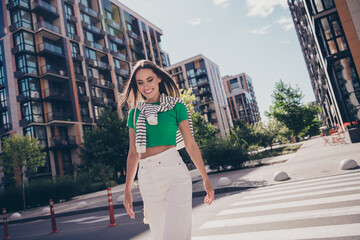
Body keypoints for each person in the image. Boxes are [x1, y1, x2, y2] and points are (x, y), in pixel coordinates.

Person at [121, 60, 214, 240]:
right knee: (159, 235)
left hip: (174, 173)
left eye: (150, 80)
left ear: (159, 79)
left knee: (174, 236)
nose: (146, 86)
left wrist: (205, 178)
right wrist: (127, 190)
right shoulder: (134, 114)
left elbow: (190, 144)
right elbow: (133, 153)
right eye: (140, 83)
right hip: (147, 176)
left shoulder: (176, 106)